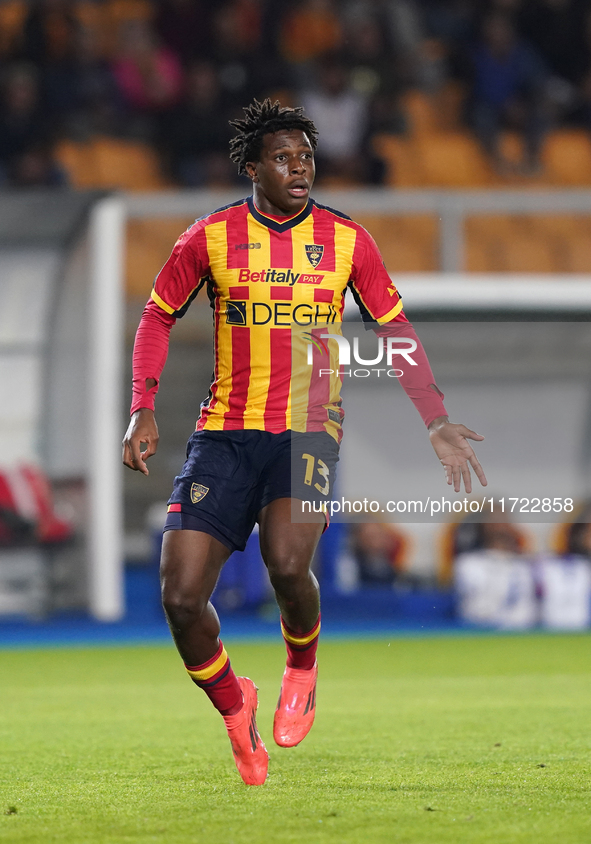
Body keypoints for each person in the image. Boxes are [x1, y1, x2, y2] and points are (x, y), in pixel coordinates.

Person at [122, 98, 487, 786]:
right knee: (178, 597)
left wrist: (433, 417)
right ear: (253, 167)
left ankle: (300, 667)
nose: (300, 168)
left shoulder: (347, 240)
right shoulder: (209, 237)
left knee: (288, 565)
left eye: (308, 158)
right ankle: (235, 708)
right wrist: (141, 407)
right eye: (285, 158)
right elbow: (155, 318)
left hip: (309, 430)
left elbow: (395, 330)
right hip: (224, 432)